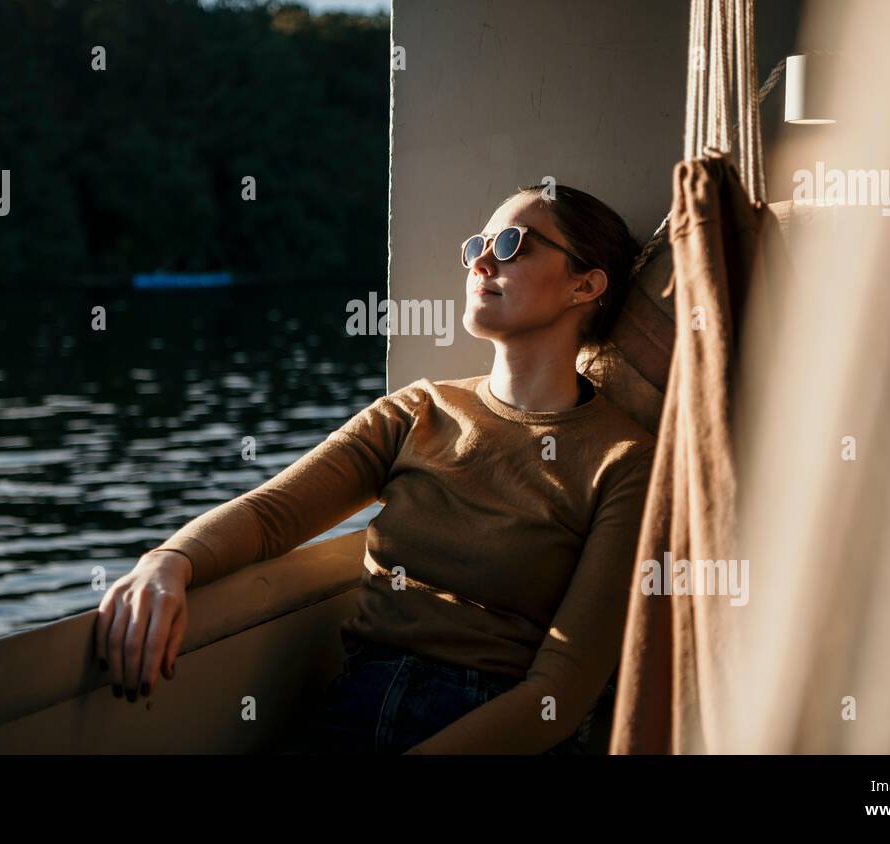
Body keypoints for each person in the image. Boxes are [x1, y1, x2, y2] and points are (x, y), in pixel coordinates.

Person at [94, 183, 657, 754]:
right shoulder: (419, 410)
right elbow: (271, 516)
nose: (481, 261)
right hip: (358, 704)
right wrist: (169, 561)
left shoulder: (625, 462)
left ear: (584, 285)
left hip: (495, 730)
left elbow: (556, 697)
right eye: (476, 245)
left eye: (513, 244)